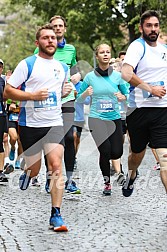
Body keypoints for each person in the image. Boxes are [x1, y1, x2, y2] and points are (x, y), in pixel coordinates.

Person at [4, 23, 72, 231]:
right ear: (38, 42)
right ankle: (28, 173)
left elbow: (57, 94)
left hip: (54, 124)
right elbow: (7, 91)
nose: (51, 41)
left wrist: (66, 92)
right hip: (30, 124)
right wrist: (31, 96)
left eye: (53, 38)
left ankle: (56, 214)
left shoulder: (63, 68)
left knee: (56, 166)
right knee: (35, 169)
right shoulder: (28, 64)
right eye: (46, 38)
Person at [121, 10, 167, 197]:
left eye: (156, 25)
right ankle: (131, 176)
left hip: (162, 110)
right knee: (136, 155)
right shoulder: (137, 47)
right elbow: (126, 73)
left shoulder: (164, 49)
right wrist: (150, 89)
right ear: (141, 28)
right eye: (149, 26)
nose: (153, 29)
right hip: (138, 110)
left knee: (164, 159)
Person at [35, 15, 81, 194]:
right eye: (55, 26)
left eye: (61, 26)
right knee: (51, 139)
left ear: (65, 29)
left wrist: (76, 78)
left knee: (70, 137)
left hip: (67, 98)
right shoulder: (39, 50)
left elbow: (75, 69)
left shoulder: (70, 49)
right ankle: (50, 176)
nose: (58, 28)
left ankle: (69, 180)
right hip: (49, 99)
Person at [77, 43, 128, 195]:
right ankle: (107, 183)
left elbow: (128, 96)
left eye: (107, 52)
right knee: (105, 151)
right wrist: (86, 93)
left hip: (114, 118)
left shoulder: (118, 77)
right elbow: (79, 99)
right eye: (102, 52)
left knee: (116, 152)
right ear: (97, 56)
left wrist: (122, 97)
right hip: (96, 119)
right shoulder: (90, 77)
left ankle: (113, 169)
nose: (105, 54)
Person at [0, 59, 9, 183]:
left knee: (1, 141)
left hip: (1, 114)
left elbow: (6, 97)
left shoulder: (2, 80)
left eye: (0, 66)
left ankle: (0, 171)